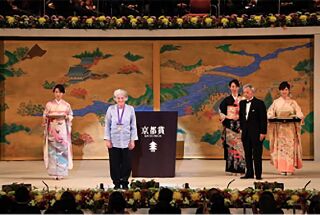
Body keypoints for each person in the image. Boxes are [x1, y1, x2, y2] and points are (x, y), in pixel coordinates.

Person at [267, 81, 304, 176]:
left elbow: (299, 113)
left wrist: (297, 116)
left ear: (288, 90)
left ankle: (289, 168)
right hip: (280, 129)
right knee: (281, 148)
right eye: (282, 89)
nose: (284, 91)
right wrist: (271, 116)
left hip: (290, 129)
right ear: (280, 90)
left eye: (286, 89)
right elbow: (270, 113)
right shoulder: (276, 102)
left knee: (289, 148)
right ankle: (282, 168)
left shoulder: (293, 102)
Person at [104, 89, 138, 189]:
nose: (120, 100)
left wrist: (132, 140)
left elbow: (133, 125)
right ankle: (116, 182)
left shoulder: (130, 109)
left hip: (127, 139)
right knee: (114, 162)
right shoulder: (110, 109)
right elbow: (107, 125)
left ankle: (124, 181)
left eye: (122, 98)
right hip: (114, 140)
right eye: (118, 98)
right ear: (115, 99)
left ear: (126, 98)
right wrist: (107, 139)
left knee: (127, 162)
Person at [43, 84, 73, 180]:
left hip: (62, 130)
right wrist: (46, 118)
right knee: (52, 151)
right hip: (52, 129)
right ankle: (53, 172)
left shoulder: (67, 105)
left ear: (63, 93)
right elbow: (44, 115)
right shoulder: (49, 104)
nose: (58, 94)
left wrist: (67, 117)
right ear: (54, 93)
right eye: (56, 92)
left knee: (62, 150)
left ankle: (61, 172)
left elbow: (71, 115)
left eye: (60, 92)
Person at [239, 84, 267, 180]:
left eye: (248, 92)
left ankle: (258, 174)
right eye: (244, 92)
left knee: (257, 155)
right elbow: (241, 117)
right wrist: (242, 129)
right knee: (247, 154)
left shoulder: (259, 103)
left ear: (252, 92)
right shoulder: (242, 103)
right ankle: (249, 173)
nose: (246, 94)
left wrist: (263, 132)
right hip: (246, 133)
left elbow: (263, 119)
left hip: (257, 133)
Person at [219, 79, 246, 175]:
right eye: (232, 86)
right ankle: (231, 169)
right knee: (230, 148)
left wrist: (240, 116)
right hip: (230, 126)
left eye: (235, 86)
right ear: (230, 88)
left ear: (238, 87)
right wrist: (225, 116)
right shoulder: (226, 100)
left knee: (240, 147)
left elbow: (246, 113)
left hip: (240, 126)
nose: (234, 88)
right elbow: (221, 111)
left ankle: (240, 168)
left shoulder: (243, 100)